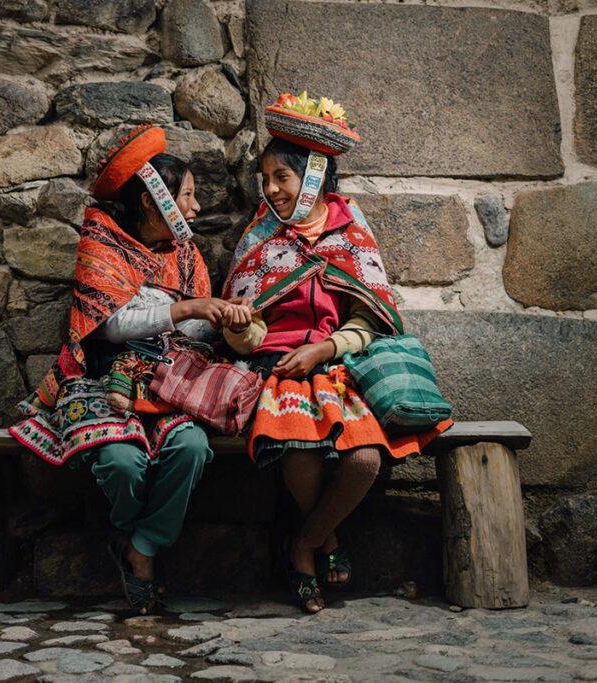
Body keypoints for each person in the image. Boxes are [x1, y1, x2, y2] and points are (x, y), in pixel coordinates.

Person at [221, 92, 452, 613]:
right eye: (266, 180)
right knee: (299, 450)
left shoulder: (350, 231)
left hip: (338, 364)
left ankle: (306, 539)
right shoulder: (261, 235)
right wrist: (240, 329)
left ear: (316, 175)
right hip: (275, 369)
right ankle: (317, 549)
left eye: (282, 177)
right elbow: (250, 327)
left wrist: (324, 346)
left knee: (365, 461)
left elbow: (373, 315)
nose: (272, 190)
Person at [9, 123, 238, 614]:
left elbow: (198, 333)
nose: (196, 209)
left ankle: (142, 548)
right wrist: (187, 310)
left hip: (168, 381)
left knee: (191, 447)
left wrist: (224, 324)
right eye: (188, 197)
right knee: (120, 462)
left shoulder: (187, 255)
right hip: (99, 380)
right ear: (154, 202)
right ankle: (142, 534)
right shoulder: (102, 243)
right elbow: (108, 326)